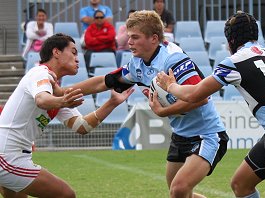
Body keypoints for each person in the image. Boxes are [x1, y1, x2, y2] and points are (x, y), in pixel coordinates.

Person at [59, 10, 228, 198]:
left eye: (135, 37)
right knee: (178, 193)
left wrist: (164, 112)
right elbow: (103, 82)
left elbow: (201, 97)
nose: (128, 42)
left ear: (153, 38)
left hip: (207, 134)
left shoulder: (173, 59)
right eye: (129, 36)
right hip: (181, 135)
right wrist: (63, 92)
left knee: (179, 189)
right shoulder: (137, 64)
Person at [156, 11, 265, 198]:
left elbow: (194, 94)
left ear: (230, 40)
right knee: (240, 184)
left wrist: (170, 85)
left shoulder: (234, 62)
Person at [0, 33, 133, 198]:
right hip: (7, 155)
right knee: (66, 195)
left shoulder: (56, 92)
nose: (78, 58)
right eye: (73, 52)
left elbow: (82, 126)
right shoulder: (40, 73)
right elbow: (42, 100)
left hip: (14, 156)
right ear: (56, 52)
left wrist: (111, 103)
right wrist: (62, 101)